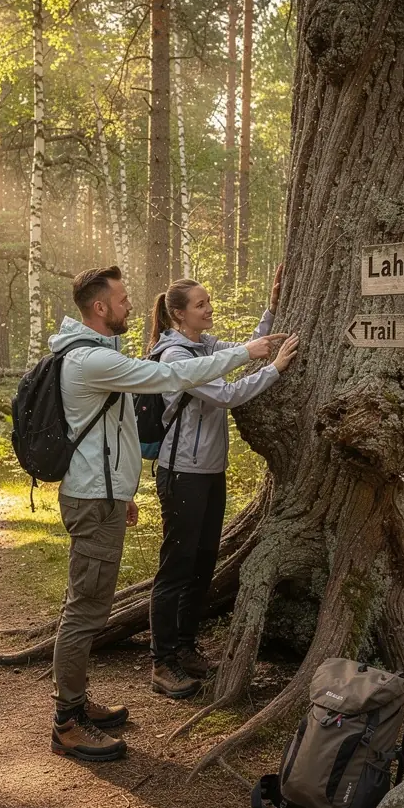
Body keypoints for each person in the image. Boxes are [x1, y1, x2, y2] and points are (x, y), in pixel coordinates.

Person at [49, 265, 286, 763]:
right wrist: (252, 354)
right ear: (99, 307)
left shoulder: (98, 356)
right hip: (95, 500)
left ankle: (79, 700)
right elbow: (171, 375)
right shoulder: (90, 360)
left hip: (105, 495)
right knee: (86, 609)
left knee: (93, 602)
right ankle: (68, 721)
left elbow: (109, 435)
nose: (131, 305)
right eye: (122, 298)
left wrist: (125, 489)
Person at [147, 271, 298, 698]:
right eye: (201, 304)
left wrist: (270, 310)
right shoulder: (176, 357)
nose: (209, 308)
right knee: (177, 568)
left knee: (202, 564)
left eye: (209, 301)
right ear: (179, 314)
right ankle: (162, 661)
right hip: (181, 474)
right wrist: (276, 370)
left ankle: (186, 647)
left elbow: (240, 352)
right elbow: (228, 394)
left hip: (209, 471)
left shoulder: (204, 346)